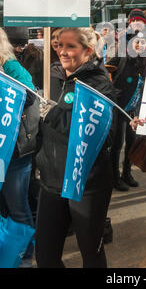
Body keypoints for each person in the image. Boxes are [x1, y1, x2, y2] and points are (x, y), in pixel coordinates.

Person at [34, 27, 116, 268]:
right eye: (59, 45)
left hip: (87, 183)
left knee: (91, 253)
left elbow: (98, 134)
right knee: (46, 256)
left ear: (88, 50)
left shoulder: (98, 82)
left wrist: (52, 115)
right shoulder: (52, 76)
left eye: (70, 46)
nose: (62, 51)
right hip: (52, 181)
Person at [0, 28, 37, 268]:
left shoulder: (10, 67)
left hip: (14, 152)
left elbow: (31, 96)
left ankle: (26, 256)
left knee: (17, 206)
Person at [105, 30, 146, 192]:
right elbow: (105, 70)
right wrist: (113, 89)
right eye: (136, 42)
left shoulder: (145, 61)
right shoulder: (122, 57)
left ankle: (127, 174)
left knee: (132, 143)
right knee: (117, 145)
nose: (139, 45)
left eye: (142, 42)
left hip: (135, 110)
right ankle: (114, 177)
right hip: (118, 107)